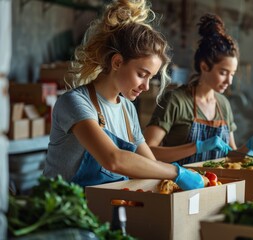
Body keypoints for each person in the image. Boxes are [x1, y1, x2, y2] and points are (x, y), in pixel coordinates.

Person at [43, 0, 205, 190]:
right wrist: (177, 172)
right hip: (63, 209)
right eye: (142, 75)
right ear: (118, 62)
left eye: (150, 77)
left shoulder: (127, 109)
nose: (145, 86)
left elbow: (150, 165)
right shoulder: (75, 102)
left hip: (105, 207)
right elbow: (113, 159)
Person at [144, 13, 239, 165]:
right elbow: (148, 152)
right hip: (179, 186)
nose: (229, 81)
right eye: (223, 72)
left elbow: (232, 154)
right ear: (204, 66)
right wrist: (197, 147)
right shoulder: (175, 101)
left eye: (232, 74)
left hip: (217, 185)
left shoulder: (223, 105)